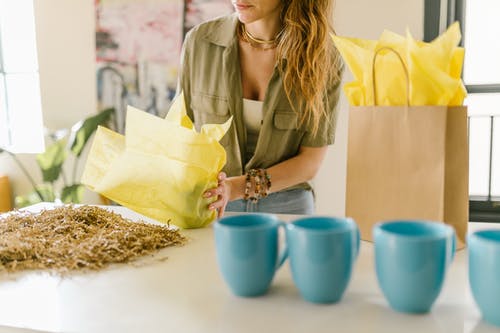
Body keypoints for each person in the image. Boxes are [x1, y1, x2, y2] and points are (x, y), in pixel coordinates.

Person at [177, 0, 343, 217]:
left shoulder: (324, 57)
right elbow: (181, 133)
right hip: (212, 203)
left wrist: (236, 188)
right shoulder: (200, 42)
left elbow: (309, 162)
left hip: (287, 205)